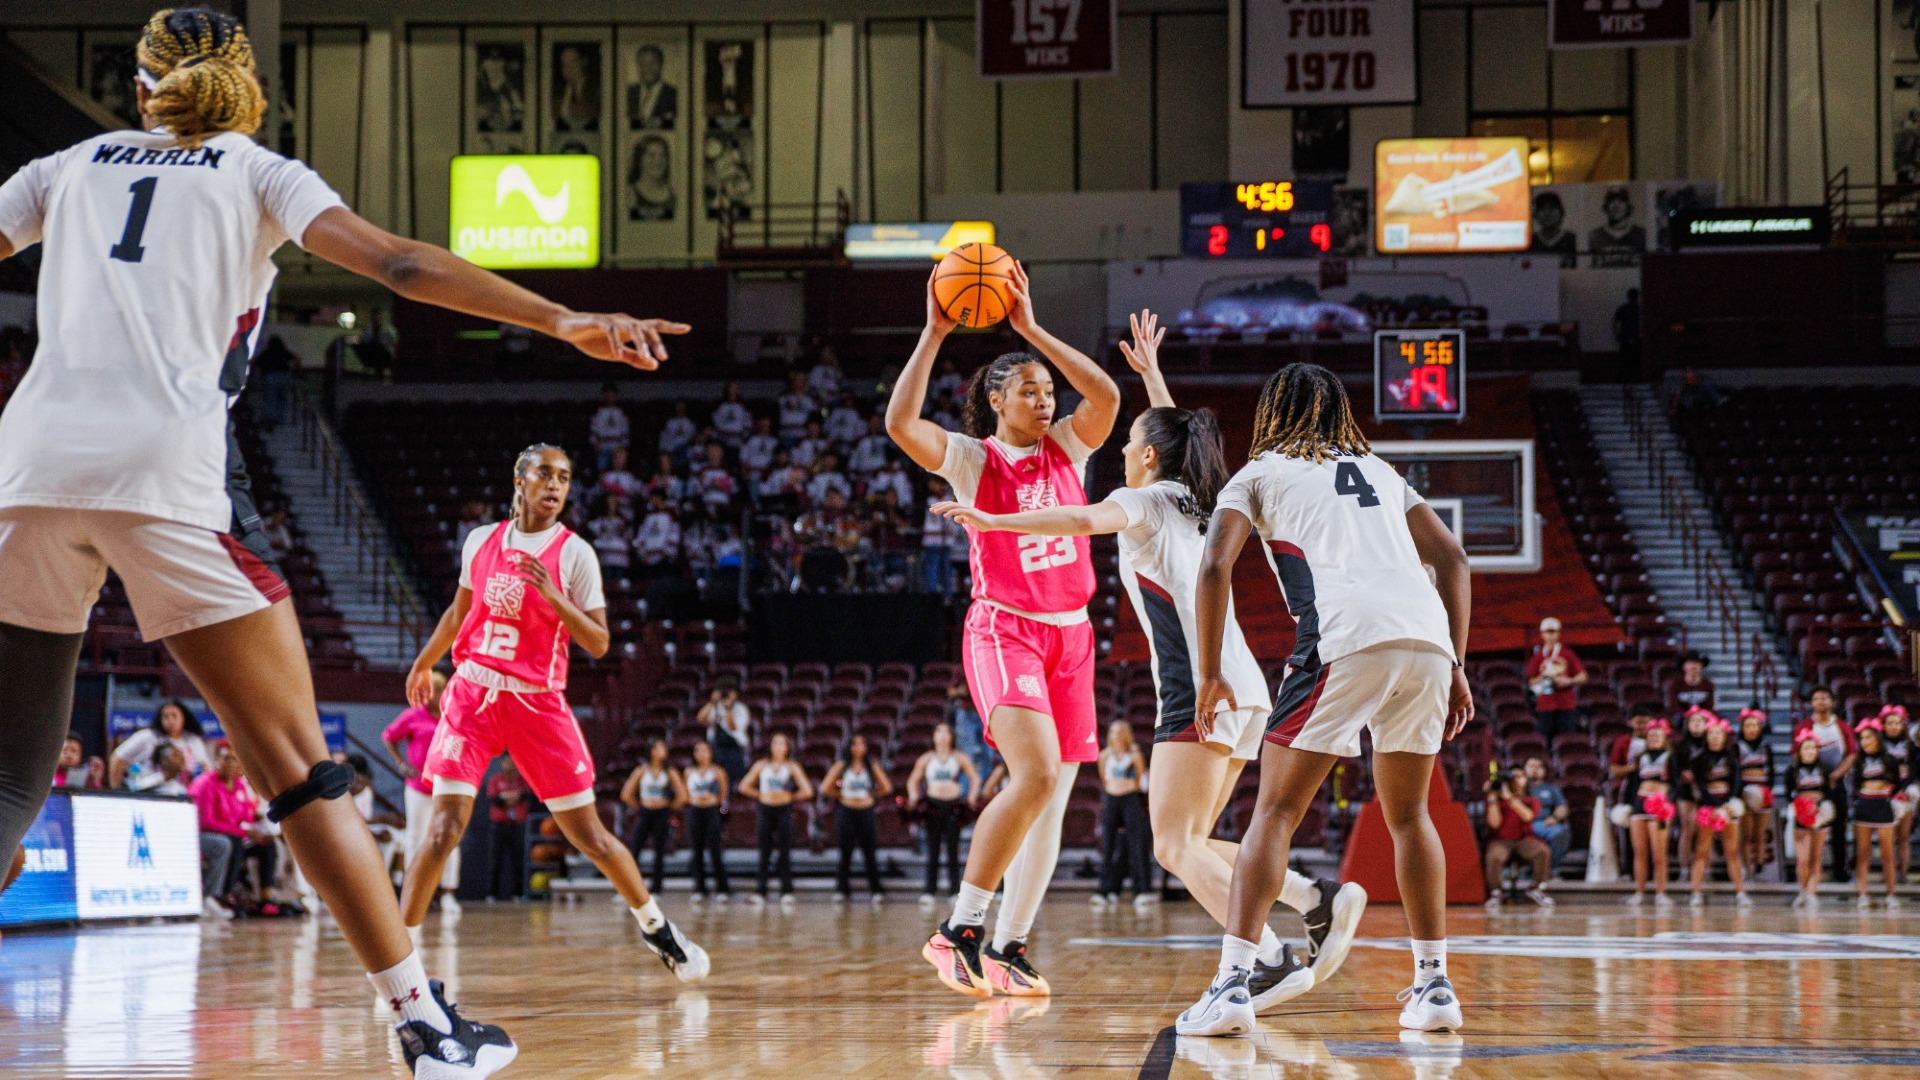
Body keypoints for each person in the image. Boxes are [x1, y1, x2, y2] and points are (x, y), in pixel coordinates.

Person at [0, 8, 693, 1064]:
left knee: (9, 786)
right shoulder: (257, 171)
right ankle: (426, 1027)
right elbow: (404, 268)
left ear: (140, 88)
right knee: (302, 773)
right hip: (160, 478)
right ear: (248, 89)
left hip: (27, 471)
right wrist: (563, 320)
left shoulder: (67, 163)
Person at [935, 311, 1366, 1007]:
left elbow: (1078, 519)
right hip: (1248, 686)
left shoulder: (1139, 501)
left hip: (1198, 685)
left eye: (1134, 440)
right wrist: (1152, 378)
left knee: (1175, 847)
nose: (1126, 445)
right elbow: (1180, 431)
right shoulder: (1206, 498)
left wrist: (994, 521)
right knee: (1194, 838)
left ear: (1147, 458)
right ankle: (1314, 896)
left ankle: (1271, 953)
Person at [1176, 362, 1473, 1038]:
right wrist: (1456, 660)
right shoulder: (1378, 469)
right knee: (1409, 816)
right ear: (1338, 411)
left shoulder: (1257, 473)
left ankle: (1230, 986)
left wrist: (1208, 674)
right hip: (1426, 638)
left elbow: (1216, 565)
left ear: (1272, 411)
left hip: (1344, 635)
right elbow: (1453, 559)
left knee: (1275, 812)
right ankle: (1434, 987)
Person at [887, 258, 1120, 1000]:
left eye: (1050, 390)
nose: (1047, 399)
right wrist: (932, 333)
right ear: (996, 400)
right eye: (1030, 389)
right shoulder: (971, 458)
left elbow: (1109, 393)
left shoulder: (1070, 449)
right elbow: (899, 424)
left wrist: (1030, 329)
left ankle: (1009, 948)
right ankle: (959, 928)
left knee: (1053, 797)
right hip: (1007, 629)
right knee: (1037, 775)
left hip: (1073, 635)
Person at [402, 444, 708, 989]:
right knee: (443, 827)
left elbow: (598, 641)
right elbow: (459, 611)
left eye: (564, 478)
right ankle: (398, 970)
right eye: (544, 473)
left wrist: (553, 597)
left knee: (590, 837)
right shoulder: (481, 540)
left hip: (536, 701)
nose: (555, 485)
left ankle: (657, 927)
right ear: (519, 480)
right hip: (473, 693)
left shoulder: (575, 555)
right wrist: (426, 661)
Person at [383, 672, 460, 915]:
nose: (437, 696)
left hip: (447, 787)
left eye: (440, 691)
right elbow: (389, 737)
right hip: (418, 787)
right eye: (433, 691)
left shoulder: (454, 716)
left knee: (449, 838)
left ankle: (448, 893)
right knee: (415, 837)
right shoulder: (414, 715)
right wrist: (400, 763)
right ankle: (411, 891)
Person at [191, 741, 271, 918]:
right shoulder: (205, 784)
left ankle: (265, 898)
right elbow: (206, 822)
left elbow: (244, 815)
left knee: (266, 846)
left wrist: (257, 826)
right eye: (225, 758)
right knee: (229, 843)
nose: (229, 763)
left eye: (234, 759)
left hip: (231, 835)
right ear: (217, 760)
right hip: (200, 835)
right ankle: (216, 896)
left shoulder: (239, 785)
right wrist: (244, 832)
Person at [906, 722, 979, 904]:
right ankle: (930, 890)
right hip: (933, 806)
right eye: (939, 731)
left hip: (953, 806)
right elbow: (912, 781)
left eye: (947, 731)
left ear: (952, 736)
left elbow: (975, 778)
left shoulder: (959, 757)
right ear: (933, 736)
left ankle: (955, 890)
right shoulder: (926, 758)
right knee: (933, 849)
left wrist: (971, 798)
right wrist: (915, 798)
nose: (943, 735)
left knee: (953, 850)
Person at [1684, 714, 1750, 908]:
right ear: (1706, 736)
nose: (1714, 736)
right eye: (1711, 733)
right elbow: (1699, 786)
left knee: (1732, 852)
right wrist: (1713, 804)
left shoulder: (1732, 759)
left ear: (1724, 736)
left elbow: (1737, 783)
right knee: (1701, 851)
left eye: (1718, 733)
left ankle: (1740, 893)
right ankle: (1695, 892)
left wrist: (1727, 804)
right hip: (1708, 807)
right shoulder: (1698, 760)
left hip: (1728, 807)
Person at [740, 732, 813, 905]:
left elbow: (808, 790)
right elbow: (744, 786)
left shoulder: (792, 766)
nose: (778, 746)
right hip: (765, 809)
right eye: (775, 743)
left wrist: (790, 796)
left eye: (782, 743)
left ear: (788, 748)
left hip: (784, 810)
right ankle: (760, 891)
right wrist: (760, 794)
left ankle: (786, 890)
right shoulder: (762, 765)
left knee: (785, 851)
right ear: (770, 746)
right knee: (764, 851)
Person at [1793, 689, 1856, 881]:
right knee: (1809, 830)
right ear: (1811, 703)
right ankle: (1810, 873)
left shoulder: (1842, 726)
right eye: (1816, 698)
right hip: (1813, 787)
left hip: (1836, 785)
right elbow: (1796, 755)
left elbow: (1852, 753)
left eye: (1825, 698)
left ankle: (1840, 869)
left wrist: (1836, 775)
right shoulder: (1804, 726)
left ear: (1832, 701)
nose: (1821, 702)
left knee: (1839, 829)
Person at [824, 733, 893, 902]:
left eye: (862, 744)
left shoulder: (871, 766)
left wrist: (873, 795)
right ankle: (842, 889)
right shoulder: (842, 766)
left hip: (866, 811)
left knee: (869, 852)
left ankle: (876, 890)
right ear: (849, 747)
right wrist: (840, 796)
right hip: (846, 811)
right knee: (845, 852)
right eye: (855, 744)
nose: (859, 748)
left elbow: (887, 787)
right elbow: (825, 787)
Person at [1094, 721, 1153, 907]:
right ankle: (1105, 890)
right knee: (1108, 846)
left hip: (1130, 799)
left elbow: (1139, 778)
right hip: (1111, 799)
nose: (1116, 735)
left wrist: (1127, 790)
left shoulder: (1135, 754)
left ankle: (1142, 890)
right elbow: (1104, 778)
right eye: (1113, 731)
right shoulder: (1104, 755)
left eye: (1120, 732)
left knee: (1136, 844)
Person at [1482, 764, 1554, 908]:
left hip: (1524, 840)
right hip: (1501, 840)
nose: (1516, 780)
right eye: (1512, 776)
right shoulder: (1497, 800)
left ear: (1526, 780)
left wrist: (1510, 799)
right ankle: (1496, 892)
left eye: (1519, 776)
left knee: (1542, 851)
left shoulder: (1531, 800)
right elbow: (1494, 824)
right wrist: (1491, 797)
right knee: (1494, 855)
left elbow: (1528, 816)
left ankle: (1536, 888)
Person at [1850, 718, 1903, 909]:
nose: (1865, 741)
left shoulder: (1889, 760)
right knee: (1862, 854)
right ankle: (1862, 894)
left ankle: (1891, 895)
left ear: (1878, 738)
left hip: (1883, 806)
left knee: (1887, 854)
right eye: (1862, 738)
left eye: (1869, 737)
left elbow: (1897, 784)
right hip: (1864, 806)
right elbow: (1855, 785)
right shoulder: (1859, 760)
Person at [620, 739, 684, 894]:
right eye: (659, 748)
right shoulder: (641, 770)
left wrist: (668, 807)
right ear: (651, 751)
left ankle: (656, 889)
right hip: (644, 813)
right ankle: (630, 889)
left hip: (662, 814)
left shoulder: (670, 772)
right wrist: (640, 806)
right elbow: (626, 794)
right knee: (635, 849)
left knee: (659, 852)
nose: (662, 751)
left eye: (663, 748)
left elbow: (682, 796)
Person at [1624, 719, 1676, 907]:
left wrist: (1667, 802)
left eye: (1658, 735)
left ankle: (1661, 893)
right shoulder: (1640, 758)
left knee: (1659, 854)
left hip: (1660, 807)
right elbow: (1632, 784)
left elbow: (1675, 785)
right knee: (1639, 852)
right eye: (1651, 735)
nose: (1654, 738)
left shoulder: (1670, 758)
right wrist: (1628, 806)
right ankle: (1639, 892)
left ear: (1665, 738)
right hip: (1640, 804)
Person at [110, 699, 212, 788]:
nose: (170, 721)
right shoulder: (147, 737)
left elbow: (206, 769)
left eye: (174, 716)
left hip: (184, 795)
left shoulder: (193, 740)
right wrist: (115, 789)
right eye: (166, 717)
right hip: (148, 792)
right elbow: (117, 757)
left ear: (184, 718)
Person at [1787, 734, 1835, 907]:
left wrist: (1819, 806)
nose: (1809, 751)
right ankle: (1802, 890)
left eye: (1813, 748)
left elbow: (1831, 792)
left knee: (1816, 857)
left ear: (1817, 750)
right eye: (1805, 748)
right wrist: (1802, 806)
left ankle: (1812, 893)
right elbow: (1788, 794)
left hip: (1820, 814)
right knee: (1802, 859)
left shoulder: (1826, 768)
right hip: (1801, 815)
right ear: (1800, 751)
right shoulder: (1792, 770)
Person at [681, 741, 731, 902]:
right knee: (697, 851)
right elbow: (684, 793)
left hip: (712, 811)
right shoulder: (688, 772)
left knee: (715, 850)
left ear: (711, 752)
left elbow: (723, 795)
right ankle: (699, 888)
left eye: (705, 750)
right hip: (694, 811)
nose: (701, 754)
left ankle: (722, 888)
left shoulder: (718, 771)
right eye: (698, 750)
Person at [1525, 618, 1586, 746]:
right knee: (1546, 742)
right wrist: (1545, 676)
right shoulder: (1538, 656)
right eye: (1548, 632)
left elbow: (1583, 676)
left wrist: (1569, 681)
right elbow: (1531, 682)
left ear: (1559, 634)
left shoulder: (1567, 654)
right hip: (1545, 706)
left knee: (1568, 742)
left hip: (1566, 705)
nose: (1550, 635)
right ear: (1542, 634)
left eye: (1553, 632)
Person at [1735, 709, 1776, 877]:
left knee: (1760, 833)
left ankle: (1759, 867)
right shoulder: (1736, 747)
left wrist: (1767, 789)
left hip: (1763, 792)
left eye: (1755, 725)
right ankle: (1746, 867)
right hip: (1744, 793)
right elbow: (1735, 772)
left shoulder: (1766, 747)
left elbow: (1771, 771)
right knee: (1747, 834)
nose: (1751, 728)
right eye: (1748, 725)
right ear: (1742, 728)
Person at [485, 759, 530, 901]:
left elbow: (525, 795)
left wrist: (510, 797)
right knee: (495, 861)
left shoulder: (522, 780)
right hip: (499, 824)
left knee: (518, 860)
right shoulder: (495, 780)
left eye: (512, 762)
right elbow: (494, 799)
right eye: (506, 762)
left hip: (517, 824)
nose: (509, 765)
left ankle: (518, 893)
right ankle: (492, 894)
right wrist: (510, 798)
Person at [1879, 705, 1914, 884]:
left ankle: (1903, 873)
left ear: (1903, 725)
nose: (1894, 726)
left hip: (1904, 793)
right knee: (1888, 838)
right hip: (1884, 794)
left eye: (1897, 723)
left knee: (1904, 836)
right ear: (1883, 725)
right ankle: (1889, 872)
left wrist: (1904, 788)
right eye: (1890, 723)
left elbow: (1913, 771)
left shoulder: (1910, 745)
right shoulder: (1878, 745)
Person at [698, 677, 752, 783]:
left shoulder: (741, 709)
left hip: (733, 748)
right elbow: (700, 719)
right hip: (716, 748)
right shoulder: (715, 707)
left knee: (733, 779)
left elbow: (734, 727)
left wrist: (728, 709)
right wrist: (712, 702)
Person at [1524, 756, 1571, 873]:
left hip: (1544, 823)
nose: (1534, 769)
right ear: (1524, 769)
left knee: (1561, 831)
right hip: (1527, 822)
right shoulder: (1521, 788)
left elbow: (1563, 807)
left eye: (1538, 766)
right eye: (1531, 766)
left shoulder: (1551, 789)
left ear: (1544, 771)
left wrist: (1554, 818)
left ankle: (1549, 869)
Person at [625, 44, 678, 130]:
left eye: (652, 63)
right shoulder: (628, 93)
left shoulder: (674, 95)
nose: (647, 68)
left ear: (661, 64)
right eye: (643, 63)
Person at [589, 383, 630, 471]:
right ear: (604, 396)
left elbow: (625, 432)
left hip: (617, 446)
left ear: (616, 396)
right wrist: (594, 444)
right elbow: (593, 431)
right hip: (603, 446)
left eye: (612, 395)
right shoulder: (598, 412)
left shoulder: (621, 413)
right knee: (602, 470)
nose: (609, 397)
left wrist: (624, 447)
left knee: (617, 470)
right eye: (607, 395)